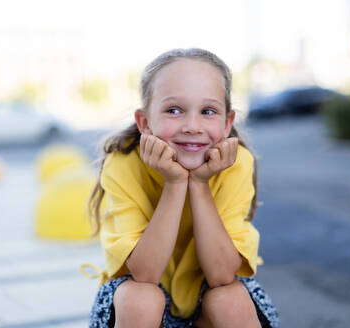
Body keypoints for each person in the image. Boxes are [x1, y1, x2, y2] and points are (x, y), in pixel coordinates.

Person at [83, 48, 279, 328]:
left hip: (209, 300)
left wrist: (199, 184)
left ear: (227, 123)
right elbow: (145, 273)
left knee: (230, 299)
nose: (192, 126)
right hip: (143, 301)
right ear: (145, 123)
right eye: (174, 110)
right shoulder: (124, 162)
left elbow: (222, 274)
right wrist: (175, 184)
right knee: (140, 298)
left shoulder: (236, 163)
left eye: (208, 111)